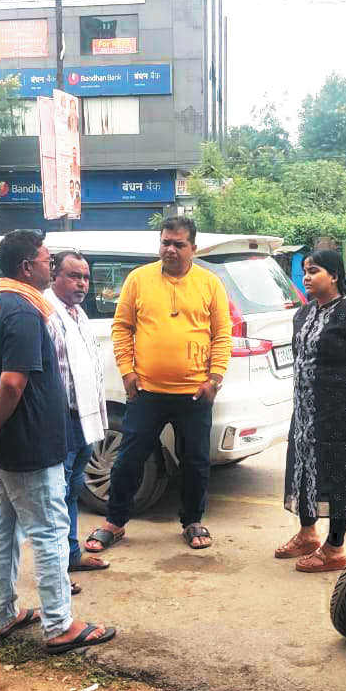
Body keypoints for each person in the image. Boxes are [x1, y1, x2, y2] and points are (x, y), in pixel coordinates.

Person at [0, 229, 115, 654]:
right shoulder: (21, 310)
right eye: (46, 260)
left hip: (12, 445)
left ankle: (3, 613)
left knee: (7, 530)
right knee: (51, 531)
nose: (51, 265)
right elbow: (11, 383)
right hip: (29, 446)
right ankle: (59, 625)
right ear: (27, 267)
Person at [85, 216, 231, 553]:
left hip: (195, 392)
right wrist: (127, 371)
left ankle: (192, 520)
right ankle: (115, 522)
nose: (170, 249)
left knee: (195, 461)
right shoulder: (139, 280)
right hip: (147, 391)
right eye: (165, 242)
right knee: (129, 459)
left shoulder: (209, 284)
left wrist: (215, 379)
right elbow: (121, 327)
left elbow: (222, 334)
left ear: (193, 248)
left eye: (178, 244)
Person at [274, 250, 346, 572]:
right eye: (305, 271)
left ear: (335, 276)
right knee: (304, 468)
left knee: (339, 475)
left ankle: (335, 549)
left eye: (315, 270)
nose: (307, 277)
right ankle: (308, 534)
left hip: (341, 411)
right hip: (307, 411)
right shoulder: (304, 313)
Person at [44, 250, 110, 576]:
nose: (82, 283)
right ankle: (56, 569)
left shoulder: (77, 313)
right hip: (61, 420)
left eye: (85, 277)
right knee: (55, 495)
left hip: (83, 418)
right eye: (74, 276)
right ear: (53, 274)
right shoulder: (46, 312)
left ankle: (70, 554)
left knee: (72, 489)